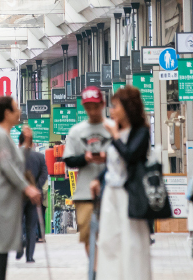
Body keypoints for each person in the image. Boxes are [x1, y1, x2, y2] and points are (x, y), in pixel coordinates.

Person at [90, 86, 152, 280]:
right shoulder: (118, 133)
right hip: (110, 194)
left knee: (132, 242)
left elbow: (130, 156)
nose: (111, 111)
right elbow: (112, 165)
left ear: (127, 108)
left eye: (115, 106)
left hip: (130, 195)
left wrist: (115, 136)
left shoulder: (141, 132)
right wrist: (98, 180)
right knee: (109, 241)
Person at [0, 96, 41, 280]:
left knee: (1, 250)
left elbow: (14, 161)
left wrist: (27, 144)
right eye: (15, 108)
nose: (19, 111)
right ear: (7, 113)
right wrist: (27, 188)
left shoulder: (4, 136)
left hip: (3, 201)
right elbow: (7, 166)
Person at [63, 86, 112, 255]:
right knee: (88, 237)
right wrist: (86, 158)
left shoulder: (113, 128)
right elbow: (68, 159)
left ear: (103, 104)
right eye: (88, 107)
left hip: (112, 191)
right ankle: (96, 270)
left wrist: (109, 157)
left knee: (111, 237)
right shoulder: (76, 131)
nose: (92, 110)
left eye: (95, 106)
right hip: (84, 193)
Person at [15, 131, 48, 263]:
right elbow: (44, 174)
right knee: (31, 225)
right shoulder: (40, 156)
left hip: (18, 194)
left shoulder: (14, 156)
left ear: (19, 143)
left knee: (17, 223)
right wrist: (36, 188)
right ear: (33, 143)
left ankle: (19, 245)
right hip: (34, 196)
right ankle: (29, 257)